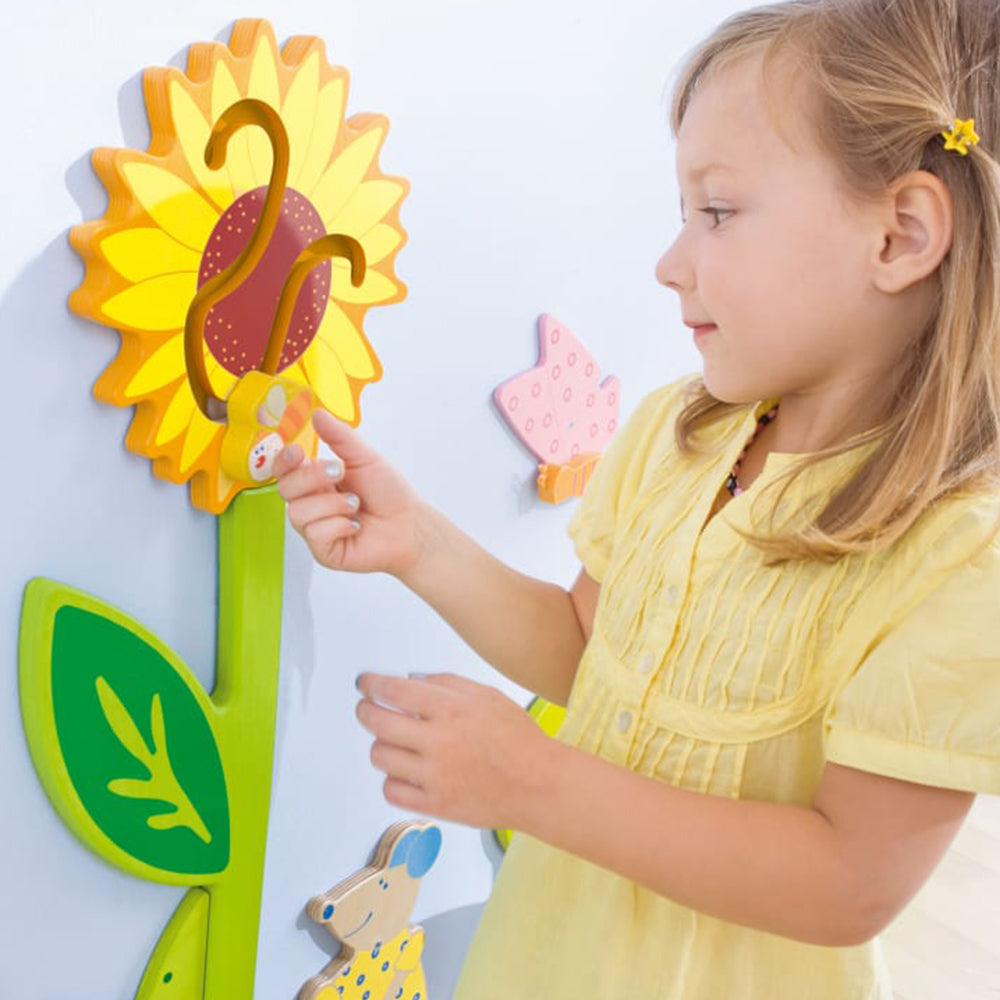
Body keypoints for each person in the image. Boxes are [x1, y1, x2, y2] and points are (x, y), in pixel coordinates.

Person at [274, 0, 1000, 995]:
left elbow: (849, 880)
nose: (669, 263)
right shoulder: (678, 433)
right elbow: (588, 649)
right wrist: (418, 543)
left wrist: (533, 780)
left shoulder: (958, 556)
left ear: (899, 235)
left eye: (717, 211)